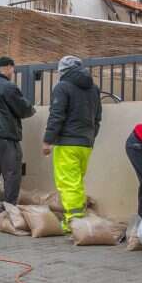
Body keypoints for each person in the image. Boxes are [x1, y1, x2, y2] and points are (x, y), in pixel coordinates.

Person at [42, 56, 101, 230]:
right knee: (76, 182)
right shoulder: (93, 89)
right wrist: (90, 136)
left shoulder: (62, 87)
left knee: (68, 183)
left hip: (67, 142)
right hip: (86, 143)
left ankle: (74, 222)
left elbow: (57, 115)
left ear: (62, 71)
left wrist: (48, 140)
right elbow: (97, 117)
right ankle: (78, 216)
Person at [0, 56, 35, 217]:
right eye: (13, 69)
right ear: (9, 67)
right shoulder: (8, 87)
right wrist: (31, 109)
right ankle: (9, 208)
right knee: (12, 173)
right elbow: (23, 109)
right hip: (7, 136)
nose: (13, 72)